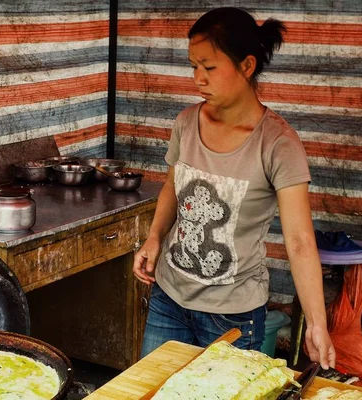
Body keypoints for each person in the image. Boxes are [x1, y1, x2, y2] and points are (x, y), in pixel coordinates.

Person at [132, 7, 336, 370]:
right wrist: (154, 237)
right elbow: (171, 189)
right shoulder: (186, 123)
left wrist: (317, 324)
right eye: (193, 66)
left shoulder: (278, 144)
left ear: (246, 66)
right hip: (169, 298)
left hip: (233, 316)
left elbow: (300, 242)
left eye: (209, 68)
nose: (198, 78)